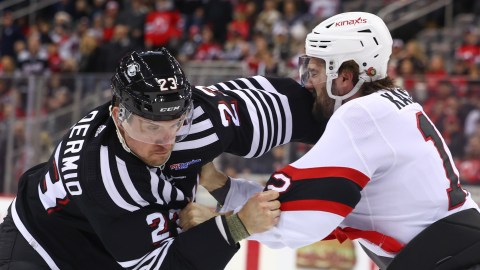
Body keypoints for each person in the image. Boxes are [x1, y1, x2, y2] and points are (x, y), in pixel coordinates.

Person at [189, 12, 480, 270]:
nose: (307, 83)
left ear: (345, 77)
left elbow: (294, 220)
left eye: (314, 73)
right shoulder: (393, 104)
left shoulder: (361, 114)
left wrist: (223, 227)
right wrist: (218, 184)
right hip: (455, 251)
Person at [0, 48, 326, 269]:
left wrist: (356, 106)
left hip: (115, 243)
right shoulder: (106, 176)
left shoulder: (201, 118)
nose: (166, 141)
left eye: (176, 123)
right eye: (151, 126)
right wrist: (235, 226)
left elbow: (292, 106)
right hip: (43, 249)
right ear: (119, 116)